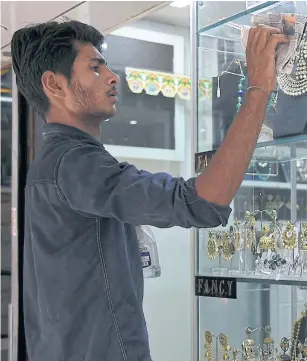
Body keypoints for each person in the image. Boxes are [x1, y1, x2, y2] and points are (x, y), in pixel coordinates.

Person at [11, 20, 288, 361]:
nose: (113, 77)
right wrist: (259, 87)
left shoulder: (54, 165)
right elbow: (201, 202)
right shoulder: (76, 165)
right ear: (54, 84)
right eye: (95, 68)